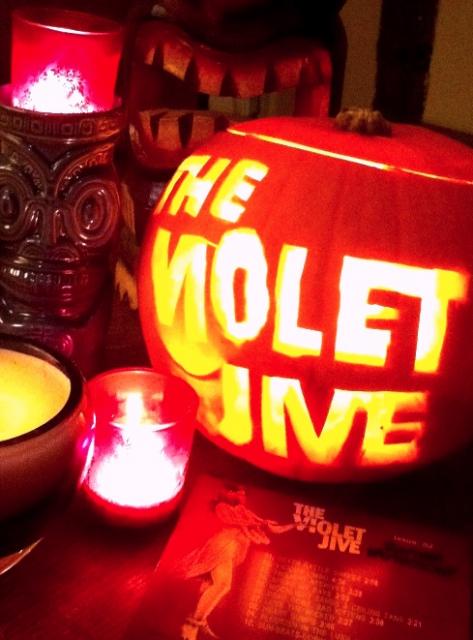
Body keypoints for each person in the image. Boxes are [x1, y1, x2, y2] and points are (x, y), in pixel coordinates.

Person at [176, 484, 294, 639]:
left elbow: (267, 525)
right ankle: (191, 626)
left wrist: (291, 525)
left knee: (213, 585)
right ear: (227, 492)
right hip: (223, 545)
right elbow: (234, 521)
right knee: (223, 584)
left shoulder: (244, 512)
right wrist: (262, 523)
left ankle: (199, 621)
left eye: (242, 493)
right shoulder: (222, 507)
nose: (240, 495)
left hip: (234, 548)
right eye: (236, 492)